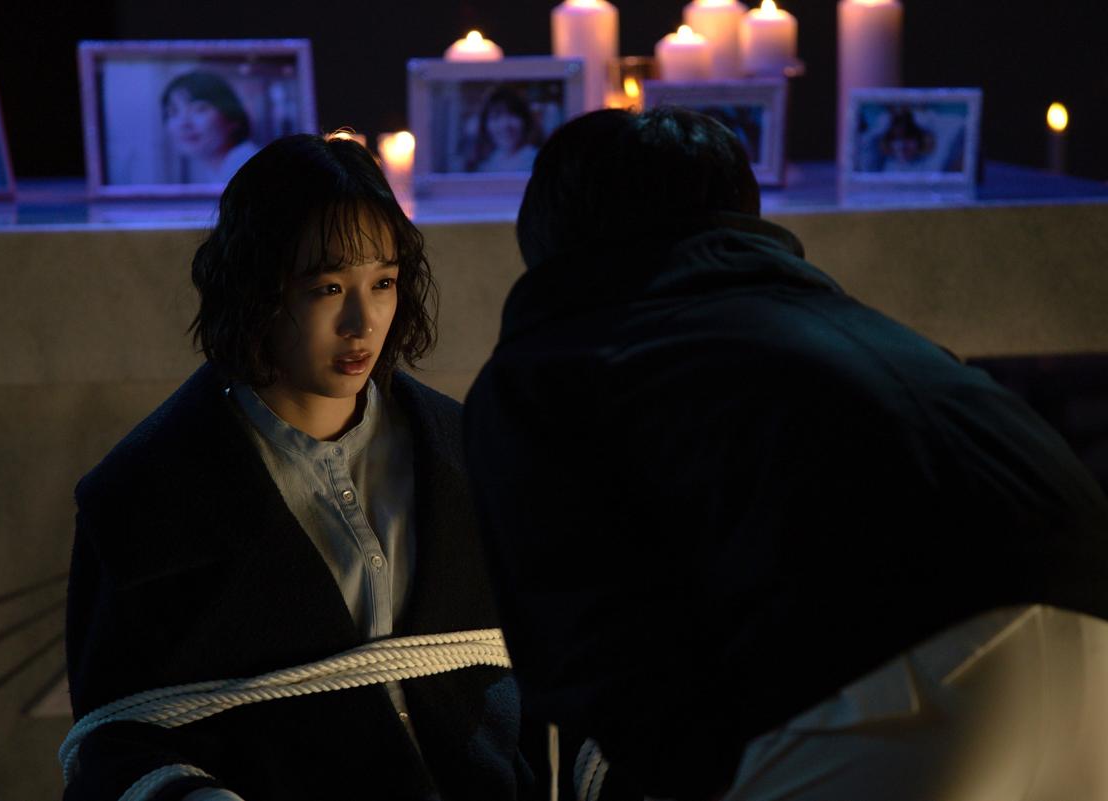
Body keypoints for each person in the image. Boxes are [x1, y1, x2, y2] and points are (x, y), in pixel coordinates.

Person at [463, 107, 1108, 801]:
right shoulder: (840, 327)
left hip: (887, 668)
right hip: (1089, 631)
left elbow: (589, 641)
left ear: (543, 229)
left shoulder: (548, 369)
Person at [63, 134, 533, 801]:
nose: (361, 322)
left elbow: (555, 663)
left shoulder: (469, 452)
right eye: (327, 288)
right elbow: (114, 734)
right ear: (257, 289)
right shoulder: (143, 495)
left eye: (383, 283)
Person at [161, 71, 259, 184]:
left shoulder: (250, 170)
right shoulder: (222, 171)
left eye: (199, 109)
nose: (184, 123)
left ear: (233, 117)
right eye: (173, 112)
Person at [471, 86, 540, 174]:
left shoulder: (536, 161)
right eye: (496, 117)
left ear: (525, 120)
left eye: (512, 115)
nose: (505, 125)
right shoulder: (486, 164)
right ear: (485, 124)